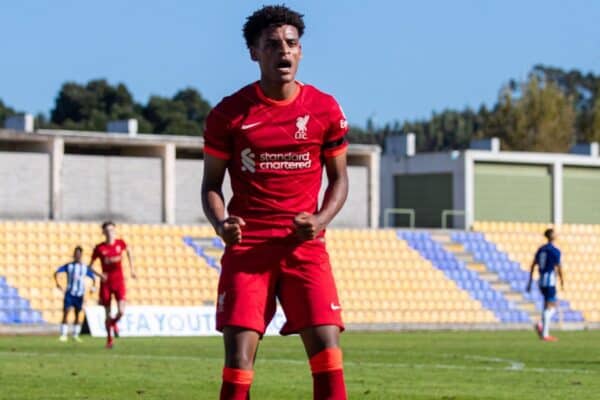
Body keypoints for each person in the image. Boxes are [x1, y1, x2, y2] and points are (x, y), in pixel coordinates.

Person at [201, 5, 349, 399]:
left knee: (329, 358)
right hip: (249, 250)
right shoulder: (228, 115)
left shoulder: (325, 110)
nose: (283, 51)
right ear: (254, 52)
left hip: (305, 247)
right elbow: (211, 186)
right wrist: (221, 225)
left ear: (300, 51)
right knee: (237, 364)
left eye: (291, 43)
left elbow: (340, 179)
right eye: (272, 44)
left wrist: (319, 220)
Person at [90, 221, 136, 349]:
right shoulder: (100, 248)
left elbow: (129, 252)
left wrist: (132, 269)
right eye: (107, 230)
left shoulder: (120, 243)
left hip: (119, 281)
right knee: (107, 313)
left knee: (121, 311)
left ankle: (113, 324)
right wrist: (100, 275)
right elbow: (90, 266)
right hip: (106, 283)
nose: (110, 232)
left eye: (112, 230)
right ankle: (109, 340)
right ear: (103, 232)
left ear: (115, 230)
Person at [53, 246, 98, 342]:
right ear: (74, 254)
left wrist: (93, 288)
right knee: (66, 312)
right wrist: (58, 284)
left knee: (77, 314)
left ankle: (75, 334)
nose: (77, 256)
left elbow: (93, 278)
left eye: (79, 254)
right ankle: (64, 334)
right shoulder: (69, 266)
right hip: (70, 293)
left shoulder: (84, 268)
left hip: (80, 294)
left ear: (81, 255)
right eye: (76, 254)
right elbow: (56, 272)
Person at [527, 228, 564, 342]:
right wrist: (562, 280)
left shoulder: (541, 250)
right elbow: (559, 267)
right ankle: (544, 332)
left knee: (546, 306)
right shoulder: (554, 251)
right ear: (552, 236)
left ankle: (543, 328)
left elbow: (533, 265)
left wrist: (530, 281)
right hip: (549, 280)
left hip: (541, 280)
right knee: (552, 306)